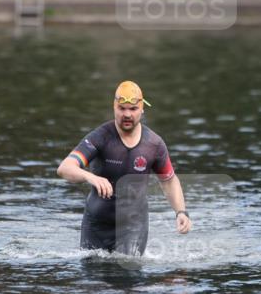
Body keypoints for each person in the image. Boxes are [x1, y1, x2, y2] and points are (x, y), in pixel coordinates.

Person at [57, 81, 191, 255]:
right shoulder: (101, 137)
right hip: (96, 224)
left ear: (142, 109)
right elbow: (65, 168)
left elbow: (169, 181)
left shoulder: (154, 144)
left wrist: (181, 212)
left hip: (133, 226)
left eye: (133, 109)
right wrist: (91, 177)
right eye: (122, 108)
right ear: (114, 108)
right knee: (94, 279)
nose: (127, 114)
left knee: (128, 274)